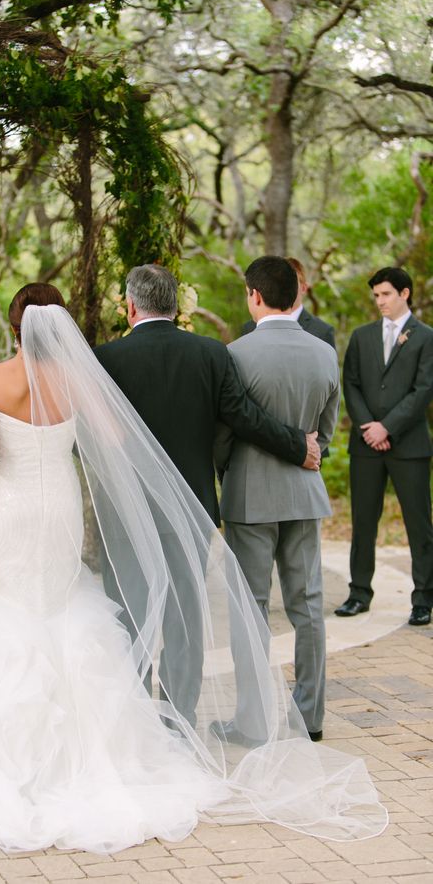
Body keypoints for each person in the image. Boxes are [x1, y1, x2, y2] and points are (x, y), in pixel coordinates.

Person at [0, 283, 386, 852]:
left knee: (14, 602)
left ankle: (19, 746)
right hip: (66, 504)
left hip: (14, 505)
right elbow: (115, 437)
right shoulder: (85, 376)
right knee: (92, 602)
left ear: (13, 325)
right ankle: (149, 725)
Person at [94, 264, 320, 726]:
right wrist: (298, 446)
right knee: (185, 616)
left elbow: (91, 440)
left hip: (126, 509)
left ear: (131, 305)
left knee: (130, 612)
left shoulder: (106, 359)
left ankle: (137, 717)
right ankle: (180, 718)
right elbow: (244, 417)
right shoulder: (210, 354)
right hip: (191, 507)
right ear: (175, 306)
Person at [214, 256, 339, 742]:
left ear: (256, 296)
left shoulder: (236, 353)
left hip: (250, 494)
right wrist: (308, 456)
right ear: (297, 295)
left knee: (252, 607)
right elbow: (322, 436)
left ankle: (252, 720)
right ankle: (310, 716)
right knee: (308, 606)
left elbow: (224, 433)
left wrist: (228, 469)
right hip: (305, 493)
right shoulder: (325, 352)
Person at [335, 267, 433, 625]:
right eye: (376, 295)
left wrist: (387, 427)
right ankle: (359, 592)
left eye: (386, 294)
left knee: (418, 523)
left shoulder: (426, 337)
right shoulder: (361, 337)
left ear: (405, 294)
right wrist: (369, 429)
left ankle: (423, 598)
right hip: (366, 446)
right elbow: (352, 384)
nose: (379, 302)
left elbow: (424, 390)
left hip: (410, 445)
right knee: (363, 522)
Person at [241, 256, 336, 348]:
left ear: (303, 288)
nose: (284, 286)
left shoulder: (323, 331)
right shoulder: (250, 327)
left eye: (292, 282)